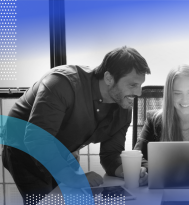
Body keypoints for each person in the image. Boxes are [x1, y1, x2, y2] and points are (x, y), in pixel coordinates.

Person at [1, 46, 150, 204]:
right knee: (47, 200)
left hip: (62, 149)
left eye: (140, 85)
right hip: (22, 145)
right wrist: (73, 177)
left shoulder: (123, 108)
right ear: (109, 78)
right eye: (132, 85)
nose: (139, 93)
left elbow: (111, 155)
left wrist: (128, 172)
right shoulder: (61, 83)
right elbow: (37, 140)